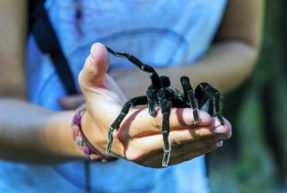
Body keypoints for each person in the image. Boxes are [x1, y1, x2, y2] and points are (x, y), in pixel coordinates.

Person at [0, 0, 262, 193]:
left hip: (179, 184)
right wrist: (91, 133)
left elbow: (241, 43)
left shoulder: (174, 90)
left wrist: (200, 114)